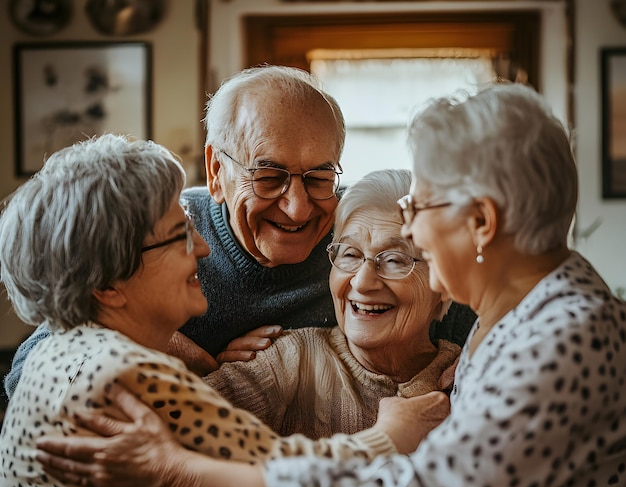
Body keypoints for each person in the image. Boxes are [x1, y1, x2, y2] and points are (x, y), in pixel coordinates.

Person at [39, 83, 626, 487]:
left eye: (417, 215)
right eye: (351, 255)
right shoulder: (518, 314)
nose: (411, 232)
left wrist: (180, 471)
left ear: (481, 223)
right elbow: (68, 337)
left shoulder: (556, 339)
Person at [0, 134, 444, 487]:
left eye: (397, 259)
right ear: (108, 284)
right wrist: (389, 438)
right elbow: (286, 480)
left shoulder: (69, 356)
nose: (206, 247)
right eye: (179, 233)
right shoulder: (126, 378)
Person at [3, 64, 476, 397]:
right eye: (268, 176)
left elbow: (463, 303)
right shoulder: (166, 235)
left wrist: (484, 350)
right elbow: (27, 371)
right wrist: (167, 349)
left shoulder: (359, 230)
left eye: (319, 176)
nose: (297, 207)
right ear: (215, 171)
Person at [204, 168, 460, 487]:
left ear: (444, 285)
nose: (362, 282)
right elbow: (180, 428)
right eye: (349, 255)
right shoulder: (294, 362)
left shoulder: (473, 379)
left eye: (396, 260)